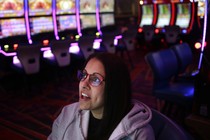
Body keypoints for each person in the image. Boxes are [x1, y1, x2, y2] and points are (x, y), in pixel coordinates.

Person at [48, 52, 155, 140]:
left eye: (95, 79)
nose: (83, 84)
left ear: (114, 87)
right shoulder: (67, 113)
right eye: (84, 75)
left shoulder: (139, 134)